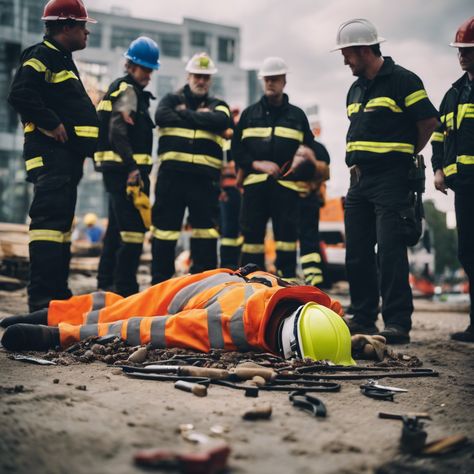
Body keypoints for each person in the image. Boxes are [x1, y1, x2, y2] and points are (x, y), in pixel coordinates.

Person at [0, 265, 355, 366]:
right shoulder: (232, 327)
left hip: (221, 278)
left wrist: (346, 340)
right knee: (121, 313)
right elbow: (146, 330)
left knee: (123, 302)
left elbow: (329, 311)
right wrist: (62, 338)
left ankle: (49, 313)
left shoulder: (297, 301)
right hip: (186, 299)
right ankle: (51, 324)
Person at [332, 19, 438, 343]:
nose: (344, 59)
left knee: (390, 252)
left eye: (347, 53)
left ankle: (397, 323)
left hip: (391, 179)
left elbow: (428, 121)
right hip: (359, 180)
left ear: (365, 50)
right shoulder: (355, 88)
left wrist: (404, 153)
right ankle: (363, 317)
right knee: (357, 251)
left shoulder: (403, 80)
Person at [7, 0, 98, 312]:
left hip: (66, 160)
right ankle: (43, 299)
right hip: (51, 158)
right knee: (48, 226)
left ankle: (57, 296)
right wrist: (51, 123)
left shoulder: (62, 59)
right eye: (83, 25)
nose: (87, 32)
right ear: (66, 26)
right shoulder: (41, 55)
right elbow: (20, 93)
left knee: (60, 230)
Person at [232, 57, 316, 280]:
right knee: (252, 238)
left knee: (287, 238)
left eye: (275, 79)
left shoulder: (297, 116)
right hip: (254, 188)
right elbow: (236, 149)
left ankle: (286, 280)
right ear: (262, 81)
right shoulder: (249, 115)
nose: (271, 83)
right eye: (267, 79)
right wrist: (256, 164)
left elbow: (309, 146)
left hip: (287, 188)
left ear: (284, 81)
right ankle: (251, 282)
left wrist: (304, 156)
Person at [151, 52, 232, 284]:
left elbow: (222, 121)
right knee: (165, 232)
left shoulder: (219, 105)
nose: (201, 81)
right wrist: (200, 117)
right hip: (171, 179)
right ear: (188, 76)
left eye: (206, 77)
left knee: (205, 232)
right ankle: (161, 282)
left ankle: (202, 284)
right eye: (197, 75)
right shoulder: (170, 100)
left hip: (204, 182)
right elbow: (161, 115)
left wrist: (185, 114)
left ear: (211, 80)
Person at [94, 36, 159, 296]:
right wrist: (133, 168)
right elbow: (117, 132)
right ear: (131, 65)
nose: (149, 75)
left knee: (115, 231)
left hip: (117, 172)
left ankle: (106, 282)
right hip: (125, 174)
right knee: (132, 232)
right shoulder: (128, 91)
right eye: (145, 69)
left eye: (150, 69)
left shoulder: (123, 89)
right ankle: (125, 289)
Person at [431, 17, 474, 343]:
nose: (462, 56)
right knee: (468, 253)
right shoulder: (454, 94)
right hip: (465, 189)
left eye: (468, 50)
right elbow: (437, 137)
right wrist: (438, 168)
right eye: (460, 50)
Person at [297, 141, 330, 287]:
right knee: (311, 239)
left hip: (301, 200)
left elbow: (324, 172)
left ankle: (314, 278)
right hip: (310, 199)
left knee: (308, 239)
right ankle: (316, 278)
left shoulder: (307, 149)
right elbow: (325, 173)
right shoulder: (319, 148)